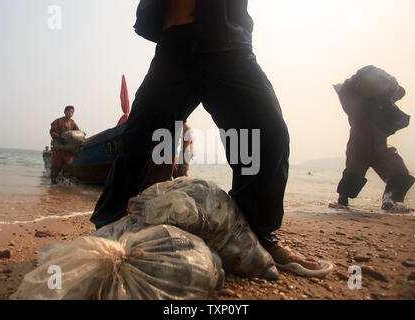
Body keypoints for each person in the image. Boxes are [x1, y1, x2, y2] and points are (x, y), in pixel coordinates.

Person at [90, 0, 328, 275]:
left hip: (227, 43)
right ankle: (107, 226)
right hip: (174, 46)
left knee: (266, 136)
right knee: (137, 140)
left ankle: (256, 236)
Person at [332, 66, 415, 211]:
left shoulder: (378, 104)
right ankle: (343, 201)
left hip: (377, 144)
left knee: (399, 174)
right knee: (356, 169)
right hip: (364, 142)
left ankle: (389, 202)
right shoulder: (363, 104)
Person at [49, 106, 80, 184]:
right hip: (58, 149)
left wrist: (81, 141)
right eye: (69, 111)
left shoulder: (73, 123)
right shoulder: (58, 121)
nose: (70, 113)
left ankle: (65, 184)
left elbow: (78, 133)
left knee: (68, 166)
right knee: (56, 165)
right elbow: (52, 131)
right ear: (65, 112)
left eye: (72, 112)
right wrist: (58, 138)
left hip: (68, 150)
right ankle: (53, 183)